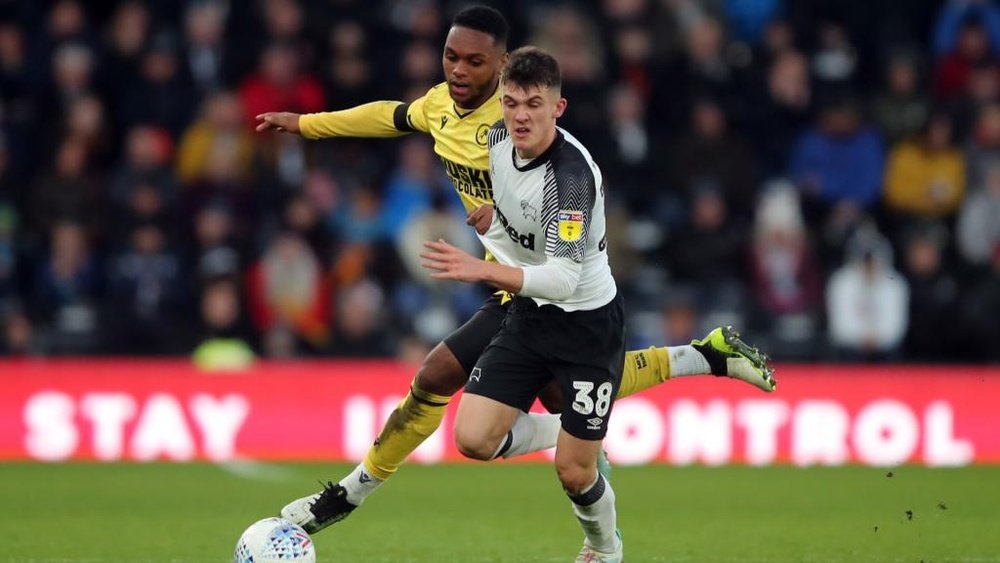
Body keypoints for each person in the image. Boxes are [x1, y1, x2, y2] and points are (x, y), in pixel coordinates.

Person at [256, 5, 775, 533]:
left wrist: (516, 228)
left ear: (502, 66)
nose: (458, 70)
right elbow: (391, 117)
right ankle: (697, 360)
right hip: (506, 274)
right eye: (450, 57)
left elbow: (566, 187)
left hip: (538, 278)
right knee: (542, 391)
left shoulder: (516, 125)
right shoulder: (441, 106)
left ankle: (349, 494)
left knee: (479, 381)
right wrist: (307, 125)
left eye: (475, 62)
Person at [422, 46, 624, 562]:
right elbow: (519, 202)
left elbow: (561, 278)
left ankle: (605, 548)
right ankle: (575, 429)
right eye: (511, 102)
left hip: (586, 325)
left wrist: (481, 268)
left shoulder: (573, 179)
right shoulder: (496, 141)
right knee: (472, 439)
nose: (520, 116)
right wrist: (498, 215)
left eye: (534, 104)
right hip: (530, 317)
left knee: (574, 473)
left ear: (558, 107)